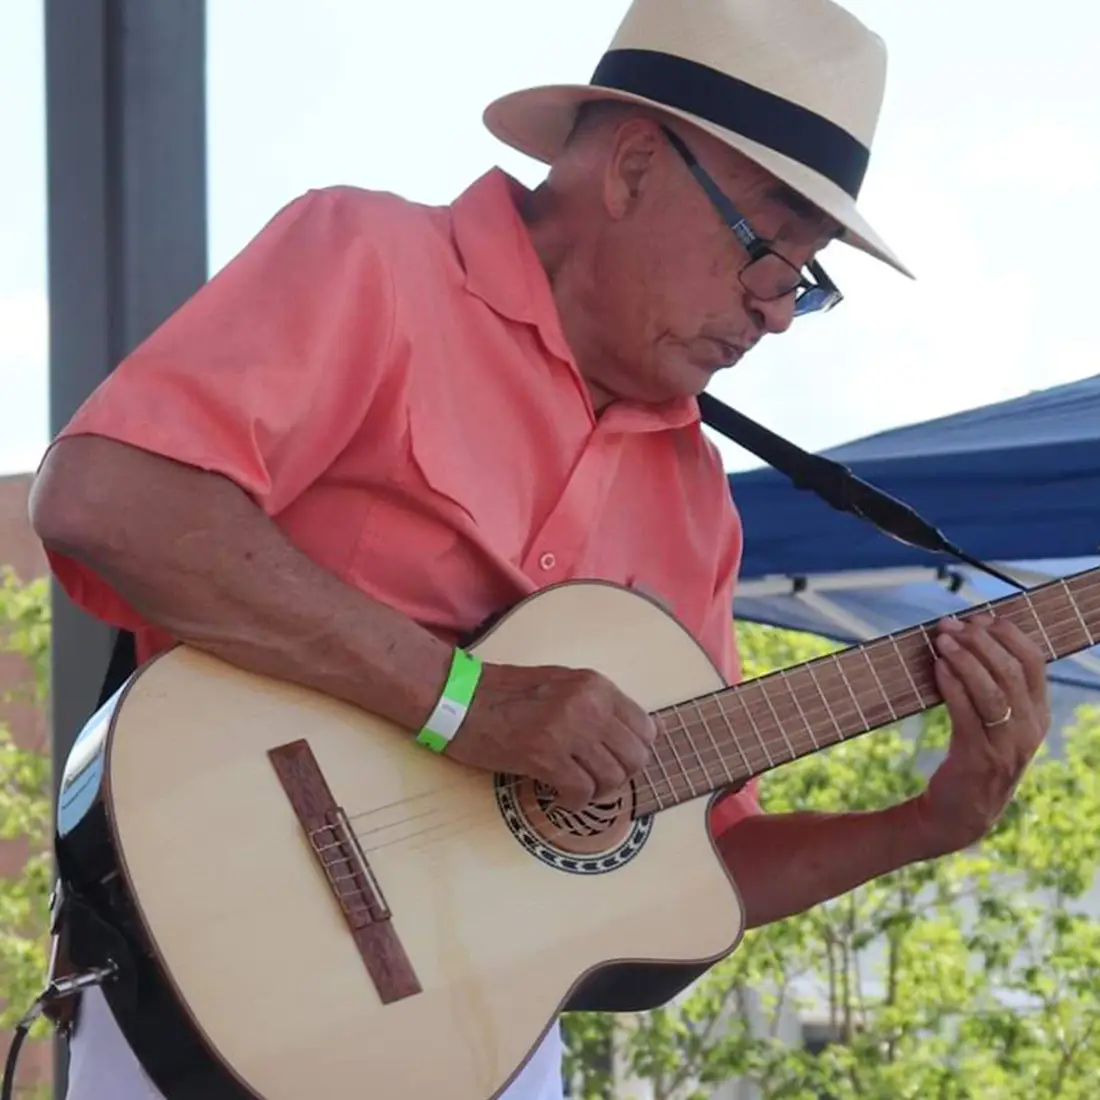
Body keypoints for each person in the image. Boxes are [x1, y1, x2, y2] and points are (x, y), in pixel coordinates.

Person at [29, 0, 1051, 1097]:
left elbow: (698, 862)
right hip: (198, 975)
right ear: (631, 167)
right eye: (766, 250)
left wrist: (927, 821)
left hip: (493, 1044)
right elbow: (107, 498)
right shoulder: (372, 260)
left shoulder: (698, 500)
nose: (776, 314)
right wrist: (463, 699)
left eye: (805, 278)